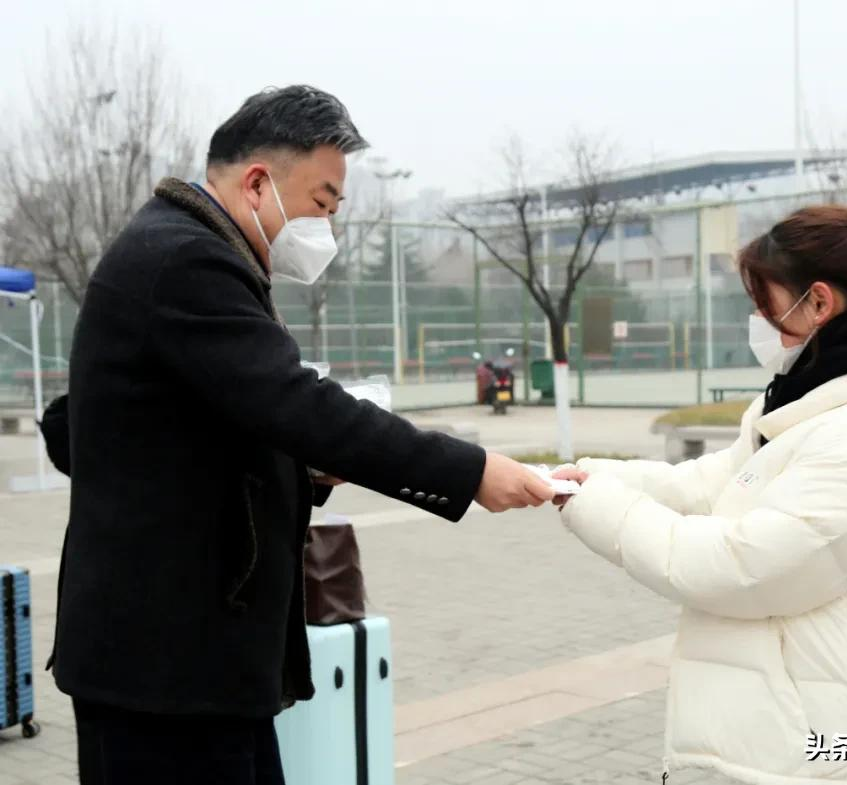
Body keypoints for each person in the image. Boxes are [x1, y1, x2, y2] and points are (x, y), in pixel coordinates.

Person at [48, 85, 553, 785]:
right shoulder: (185, 262)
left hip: (199, 666)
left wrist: (308, 469)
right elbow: (298, 405)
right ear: (258, 182)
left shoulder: (195, 249)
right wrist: (469, 471)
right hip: (163, 673)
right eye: (322, 202)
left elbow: (210, 426)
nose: (327, 228)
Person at [553, 205, 847, 785]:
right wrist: (595, 478)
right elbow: (719, 483)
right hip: (819, 724)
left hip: (844, 750)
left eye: (763, 300)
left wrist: (598, 508)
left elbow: (738, 568)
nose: (756, 317)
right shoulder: (810, 403)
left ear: (819, 303)